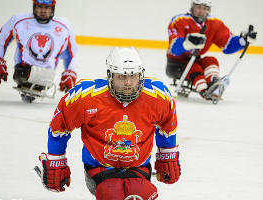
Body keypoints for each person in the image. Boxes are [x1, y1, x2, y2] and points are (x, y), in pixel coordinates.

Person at [37, 47, 181, 200]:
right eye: (121, 77)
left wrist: (167, 156)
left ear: (141, 75)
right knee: (111, 192)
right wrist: (56, 160)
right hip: (99, 169)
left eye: (133, 76)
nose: (128, 82)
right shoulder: (86, 97)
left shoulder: (158, 96)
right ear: (110, 76)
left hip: (138, 167)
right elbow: (60, 127)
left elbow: (167, 124)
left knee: (142, 191)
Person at [0, 0, 78, 103]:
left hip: (47, 76)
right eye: (40, 7)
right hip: (22, 72)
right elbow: (0, 40)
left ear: (52, 8)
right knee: (23, 74)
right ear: (34, 6)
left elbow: (71, 52)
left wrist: (69, 71)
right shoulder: (19, 20)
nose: (43, 11)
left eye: (46, 8)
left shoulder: (64, 26)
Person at [166, 0, 257, 100]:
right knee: (195, 67)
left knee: (211, 60)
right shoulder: (179, 20)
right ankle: (203, 89)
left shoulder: (214, 23)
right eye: (198, 7)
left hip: (195, 59)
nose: (201, 11)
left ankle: (214, 84)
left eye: (204, 8)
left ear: (208, 10)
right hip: (176, 63)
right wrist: (187, 42)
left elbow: (228, 44)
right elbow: (173, 47)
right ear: (192, 7)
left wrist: (242, 41)